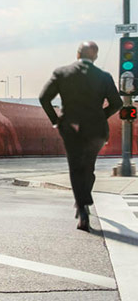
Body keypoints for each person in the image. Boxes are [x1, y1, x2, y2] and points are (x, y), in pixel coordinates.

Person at [39, 41, 124, 231]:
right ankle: (83, 200)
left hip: (72, 127)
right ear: (95, 56)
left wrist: (56, 120)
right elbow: (117, 103)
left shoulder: (62, 73)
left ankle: (83, 207)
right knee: (88, 167)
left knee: (76, 167)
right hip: (96, 130)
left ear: (78, 54)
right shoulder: (104, 76)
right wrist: (101, 115)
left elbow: (43, 98)